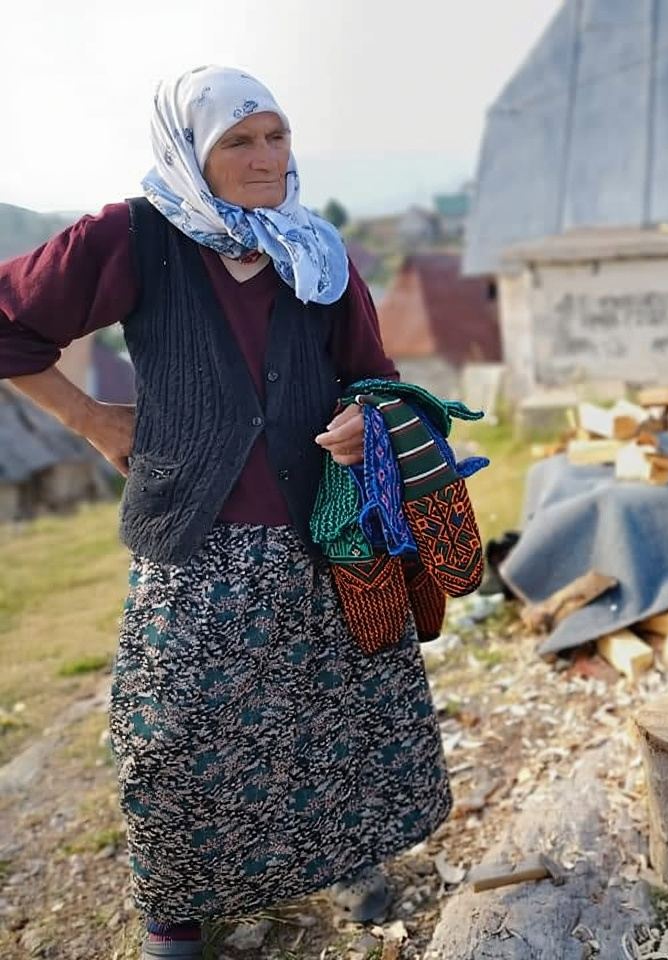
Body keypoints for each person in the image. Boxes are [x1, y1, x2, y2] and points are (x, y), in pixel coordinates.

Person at [0, 66, 452, 958]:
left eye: (275, 135)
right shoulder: (134, 236)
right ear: (191, 152)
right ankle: (177, 916)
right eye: (237, 141)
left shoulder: (316, 248)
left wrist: (366, 414)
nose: (264, 156)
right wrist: (91, 419)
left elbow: (372, 373)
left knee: (334, 715)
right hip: (197, 547)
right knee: (177, 736)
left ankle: (347, 861)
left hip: (321, 534)